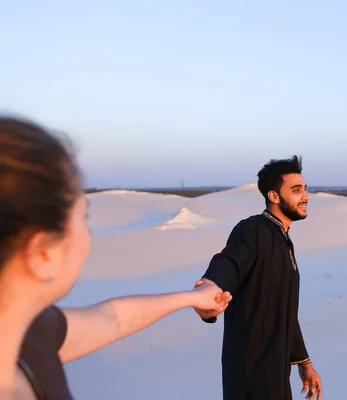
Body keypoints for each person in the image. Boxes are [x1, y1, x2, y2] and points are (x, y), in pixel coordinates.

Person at [0, 116, 232, 400]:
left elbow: (112, 318)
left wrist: (192, 298)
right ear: (43, 254)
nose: (88, 237)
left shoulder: (30, 333)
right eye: (83, 217)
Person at [194, 155, 323, 400]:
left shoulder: (282, 238)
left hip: (276, 371)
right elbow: (229, 261)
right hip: (251, 374)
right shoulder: (253, 229)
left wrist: (303, 362)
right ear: (274, 196)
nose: (305, 196)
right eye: (296, 190)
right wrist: (210, 288)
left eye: (305, 189)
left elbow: (283, 310)